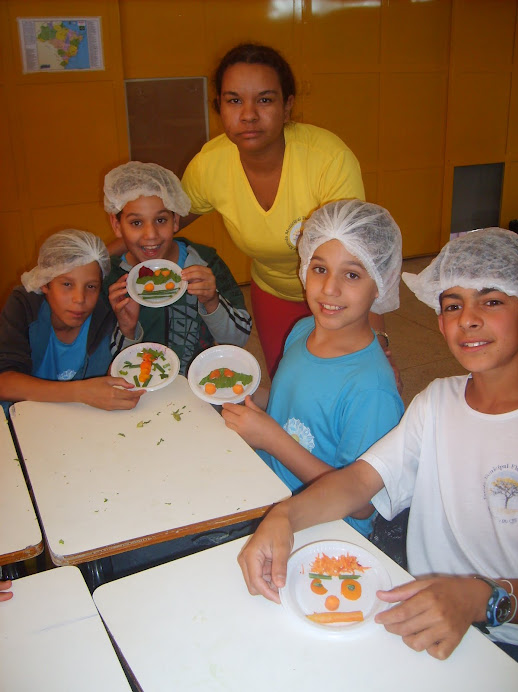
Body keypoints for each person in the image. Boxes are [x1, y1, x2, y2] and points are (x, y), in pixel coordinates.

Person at [237, 227, 518, 662]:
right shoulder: (437, 402)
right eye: (453, 304)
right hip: (414, 613)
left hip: (504, 638)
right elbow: (358, 482)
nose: (469, 318)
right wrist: (285, 516)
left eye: (493, 301)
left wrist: (485, 599)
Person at [181, 43, 395, 377]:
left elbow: (363, 256)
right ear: (219, 106)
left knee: (343, 380)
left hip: (339, 292)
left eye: (265, 99)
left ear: (287, 106)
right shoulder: (210, 163)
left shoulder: (327, 159)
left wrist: (379, 342)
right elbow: (163, 222)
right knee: (286, 381)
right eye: (234, 100)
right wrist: (94, 258)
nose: (249, 114)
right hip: (275, 292)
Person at [222, 199, 404, 538]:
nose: (329, 289)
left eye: (352, 274)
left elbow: (362, 505)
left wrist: (271, 440)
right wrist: (239, 395)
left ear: (381, 282)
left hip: (327, 531)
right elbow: (292, 406)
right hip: (267, 488)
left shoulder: (371, 390)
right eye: (320, 268)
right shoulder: (303, 329)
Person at [104, 161, 252, 375]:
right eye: (136, 223)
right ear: (117, 225)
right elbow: (110, 369)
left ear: (176, 221)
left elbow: (239, 338)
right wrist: (127, 329)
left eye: (161, 220)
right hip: (142, 388)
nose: (151, 234)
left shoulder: (204, 262)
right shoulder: (113, 279)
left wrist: (212, 301)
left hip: (196, 381)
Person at [0, 229, 145, 412]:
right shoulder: (25, 305)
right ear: (45, 282)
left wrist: (127, 328)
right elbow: (4, 382)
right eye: (67, 284)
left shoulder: (105, 311)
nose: (79, 299)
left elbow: (121, 379)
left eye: (91, 286)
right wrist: (80, 392)